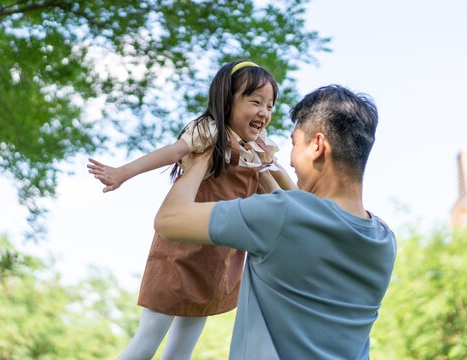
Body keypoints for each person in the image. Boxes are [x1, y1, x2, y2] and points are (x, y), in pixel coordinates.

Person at [154, 84, 397, 359]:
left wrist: (199, 160)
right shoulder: (383, 240)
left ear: (317, 145)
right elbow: (310, 217)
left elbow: (168, 219)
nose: (290, 161)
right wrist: (265, 171)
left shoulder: (281, 216)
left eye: (294, 144)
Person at [87, 61, 296, 360]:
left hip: (217, 261)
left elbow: (283, 195)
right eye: (255, 101)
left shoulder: (259, 151)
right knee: (146, 341)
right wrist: (124, 172)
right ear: (227, 101)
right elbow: (172, 152)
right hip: (180, 254)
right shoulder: (211, 133)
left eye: (270, 105)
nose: (264, 112)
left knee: (181, 352)